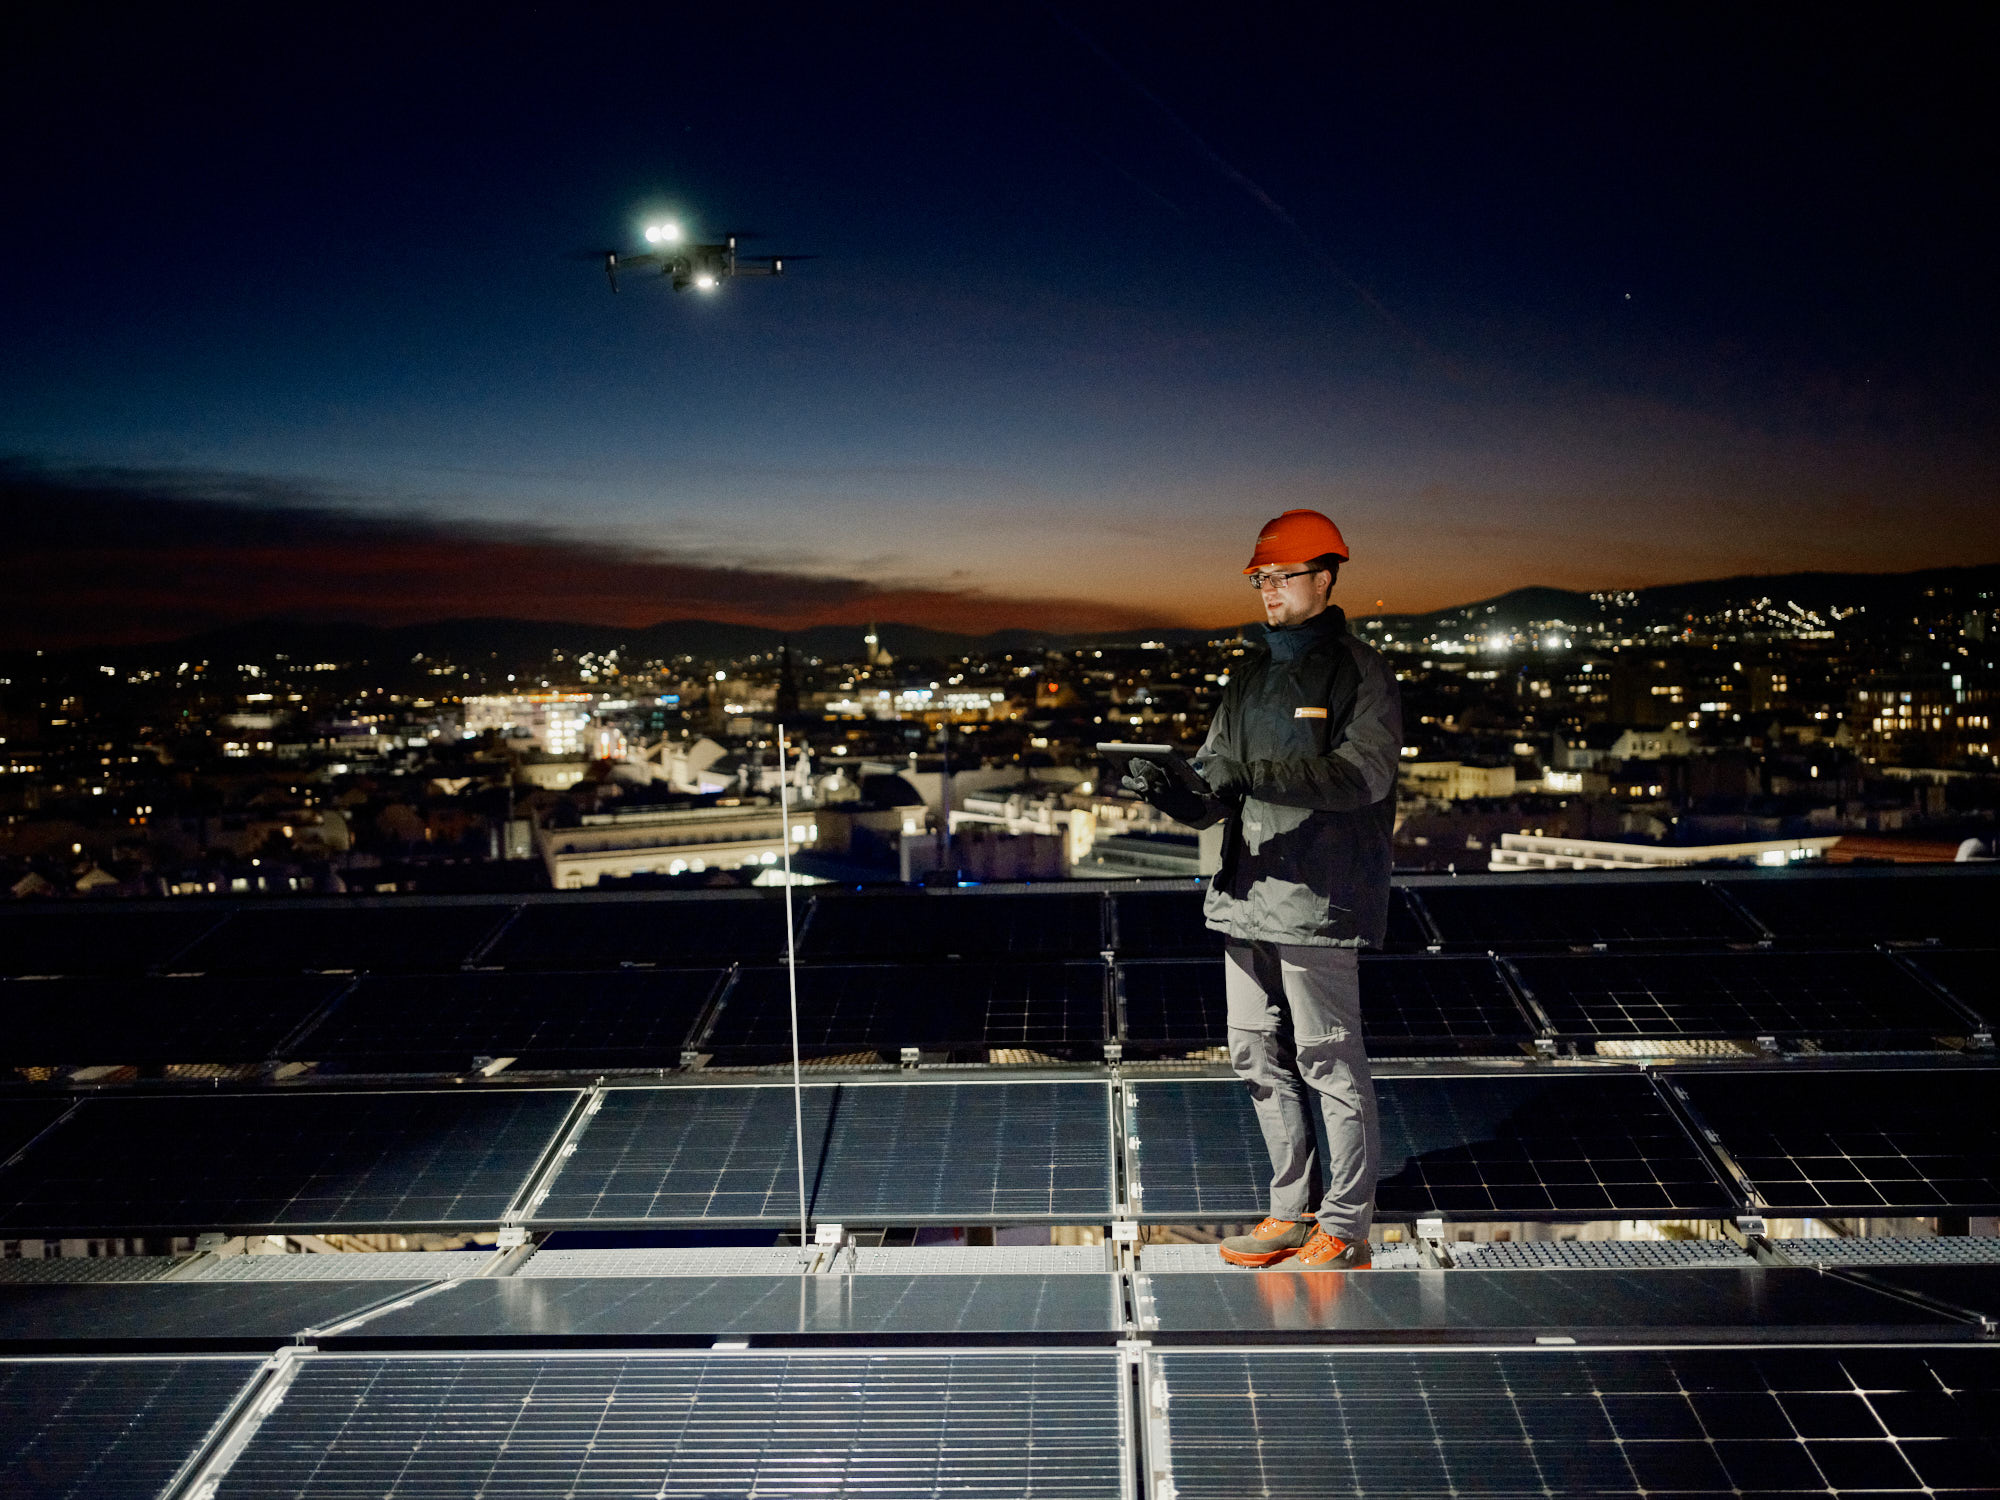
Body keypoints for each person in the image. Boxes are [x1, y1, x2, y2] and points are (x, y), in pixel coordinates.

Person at [1122, 508, 1401, 1269]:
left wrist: (1251, 775)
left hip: (1318, 896)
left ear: (1325, 577)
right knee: (1252, 1054)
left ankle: (1344, 1227)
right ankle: (1290, 1210)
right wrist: (1177, 793)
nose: (1268, 590)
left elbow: (1362, 774)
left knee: (1328, 1059)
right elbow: (1217, 780)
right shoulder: (1246, 679)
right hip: (1243, 892)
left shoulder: (1358, 670)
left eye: (1281, 576)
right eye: (1259, 578)